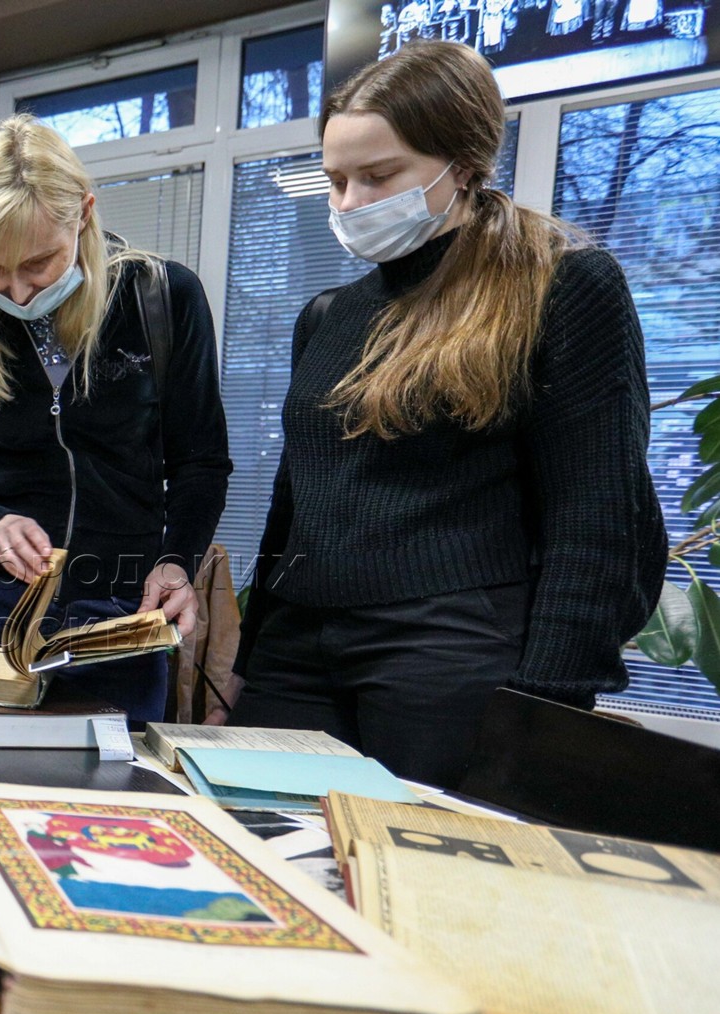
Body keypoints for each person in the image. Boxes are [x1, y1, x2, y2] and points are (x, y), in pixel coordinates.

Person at [218, 41, 666, 788]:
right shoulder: (327, 315)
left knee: (423, 851)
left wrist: (548, 701)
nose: (348, 204)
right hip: (297, 645)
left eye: (378, 176)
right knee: (258, 832)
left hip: (448, 651)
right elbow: (296, 499)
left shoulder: (560, 284)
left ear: (462, 164)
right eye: (335, 180)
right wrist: (249, 652)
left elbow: (597, 512)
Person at [0, 114, 231, 722]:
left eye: (38, 263)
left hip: (123, 608)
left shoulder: (163, 298)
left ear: (84, 216)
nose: (16, 291)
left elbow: (200, 463)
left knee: (118, 777)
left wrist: (177, 560)